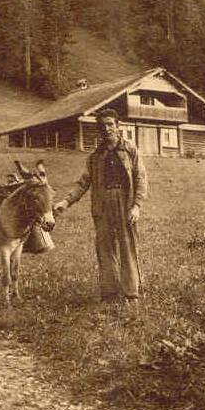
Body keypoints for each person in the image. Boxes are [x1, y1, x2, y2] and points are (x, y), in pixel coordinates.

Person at [54, 108, 148, 301]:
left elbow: (141, 178)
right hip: (102, 204)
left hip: (125, 201)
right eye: (102, 125)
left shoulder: (130, 149)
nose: (107, 129)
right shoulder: (95, 156)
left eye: (110, 124)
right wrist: (66, 201)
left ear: (118, 126)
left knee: (127, 246)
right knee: (105, 247)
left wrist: (136, 205)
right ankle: (110, 293)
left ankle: (131, 294)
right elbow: (83, 183)